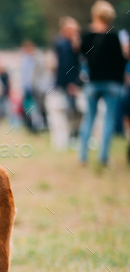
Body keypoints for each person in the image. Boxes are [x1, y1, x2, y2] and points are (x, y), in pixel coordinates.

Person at [78, 1, 128, 166]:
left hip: (92, 83)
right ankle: (103, 157)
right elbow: (121, 61)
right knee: (109, 120)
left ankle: (83, 156)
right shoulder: (114, 37)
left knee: (89, 119)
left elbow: (81, 56)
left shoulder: (86, 35)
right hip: (112, 84)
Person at [46, 17, 82, 150]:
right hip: (66, 84)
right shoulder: (64, 44)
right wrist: (71, 82)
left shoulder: (63, 43)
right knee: (70, 112)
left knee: (71, 111)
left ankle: (69, 138)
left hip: (64, 84)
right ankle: (70, 138)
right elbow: (66, 67)